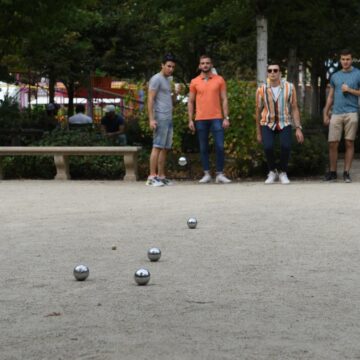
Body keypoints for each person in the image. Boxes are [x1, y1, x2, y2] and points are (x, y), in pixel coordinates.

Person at [255, 62, 304, 184]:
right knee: (268, 147)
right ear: (267, 73)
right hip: (267, 122)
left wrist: (298, 128)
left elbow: (294, 107)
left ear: (280, 73)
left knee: (286, 146)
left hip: (285, 121)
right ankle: (272, 171)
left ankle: (282, 171)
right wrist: (258, 132)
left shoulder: (289, 87)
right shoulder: (261, 89)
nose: (272, 73)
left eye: (275, 70)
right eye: (270, 71)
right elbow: (257, 110)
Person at [187, 55, 231, 184]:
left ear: (211, 65)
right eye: (202, 63)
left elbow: (224, 99)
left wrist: (226, 117)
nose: (205, 65)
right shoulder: (194, 81)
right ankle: (206, 173)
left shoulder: (219, 80)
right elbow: (190, 101)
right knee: (203, 147)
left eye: (207, 63)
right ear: (199, 66)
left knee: (220, 146)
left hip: (217, 117)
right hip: (200, 118)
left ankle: (220, 173)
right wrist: (190, 119)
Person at [323, 49, 360, 183]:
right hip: (336, 113)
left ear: (352, 60)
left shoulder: (358, 74)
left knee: (349, 142)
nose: (345, 61)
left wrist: (349, 90)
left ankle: (346, 172)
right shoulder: (335, 76)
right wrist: (325, 112)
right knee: (333, 143)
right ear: (340, 60)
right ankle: (333, 172)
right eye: (343, 59)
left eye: (348, 59)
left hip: (352, 112)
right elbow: (331, 96)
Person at [146, 54, 176, 186]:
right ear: (162, 65)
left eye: (173, 67)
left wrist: (176, 93)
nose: (171, 69)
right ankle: (151, 177)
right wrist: (151, 119)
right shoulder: (156, 79)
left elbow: (171, 101)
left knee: (165, 148)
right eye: (168, 66)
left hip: (168, 117)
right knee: (157, 146)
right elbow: (150, 99)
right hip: (160, 116)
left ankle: (161, 176)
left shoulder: (168, 80)